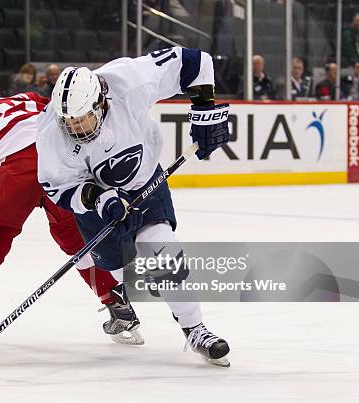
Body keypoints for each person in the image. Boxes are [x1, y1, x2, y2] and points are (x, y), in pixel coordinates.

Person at [0, 81, 141, 363]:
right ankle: (118, 305)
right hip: (63, 160)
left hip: (16, 161)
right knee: (74, 237)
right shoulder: (29, 98)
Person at [36, 47, 232, 367]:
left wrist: (204, 108)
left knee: (163, 253)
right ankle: (126, 297)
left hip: (144, 181)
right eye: (70, 123)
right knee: (120, 271)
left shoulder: (129, 80)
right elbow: (57, 188)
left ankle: (196, 330)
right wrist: (100, 199)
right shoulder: (51, 134)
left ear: (100, 102)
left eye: (84, 119)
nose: (77, 129)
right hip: (97, 208)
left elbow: (196, 61)